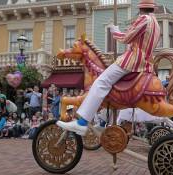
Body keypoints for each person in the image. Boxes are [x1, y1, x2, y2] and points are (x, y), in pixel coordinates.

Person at [56, 0, 161, 136]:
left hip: (132, 61)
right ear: (152, 9)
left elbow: (127, 38)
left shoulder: (144, 19)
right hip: (145, 63)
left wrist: (114, 31)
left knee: (100, 82)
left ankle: (81, 123)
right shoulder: (156, 24)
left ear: (141, 9)